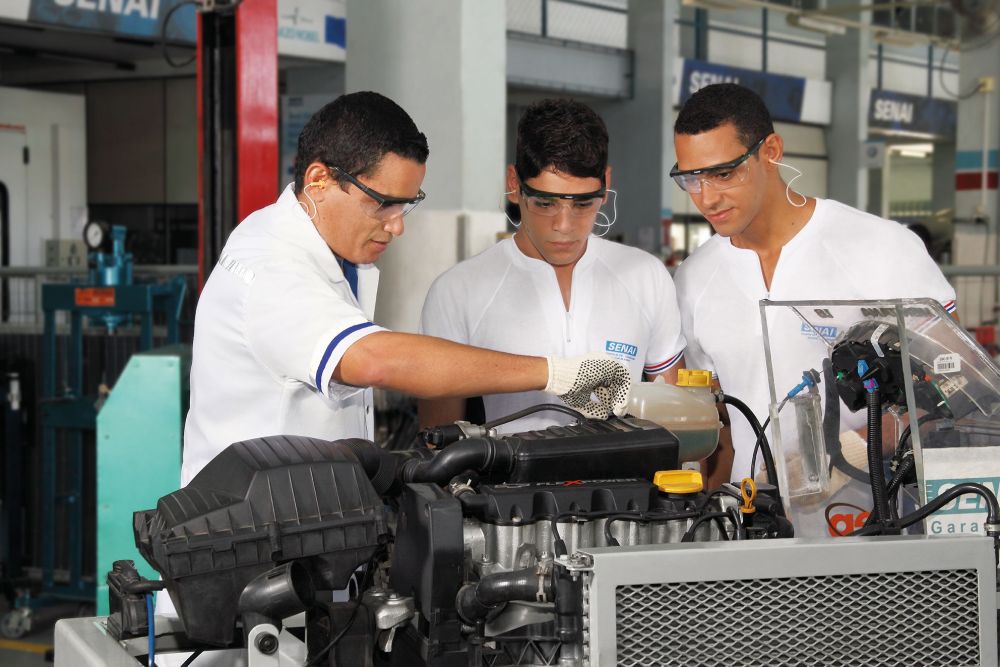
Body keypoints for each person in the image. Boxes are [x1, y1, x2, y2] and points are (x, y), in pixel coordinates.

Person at [181, 91, 632, 487]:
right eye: (383, 204)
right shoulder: (269, 265)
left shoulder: (334, 256)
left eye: (406, 206)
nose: (396, 226)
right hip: (251, 535)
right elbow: (376, 359)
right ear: (319, 179)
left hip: (308, 515)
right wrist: (556, 373)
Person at [671, 83, 957, 485]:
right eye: (692, 178)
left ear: (771, 151)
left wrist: (843, 456)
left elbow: (955, 387)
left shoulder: (881, 247)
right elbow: (718, 423)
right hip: (752, 511)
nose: (706, 198)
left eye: (723, 174)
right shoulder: (693, 279)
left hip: (870, 506)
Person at [418, 98, 686, 433]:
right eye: (545, 203)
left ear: (606, 184)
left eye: (583, 204)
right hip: (510, 469)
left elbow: (680, 422)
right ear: (514, 185)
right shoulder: (458, 291)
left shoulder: (646, 277)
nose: (564, 226)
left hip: (630, 469)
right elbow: (438, 441)